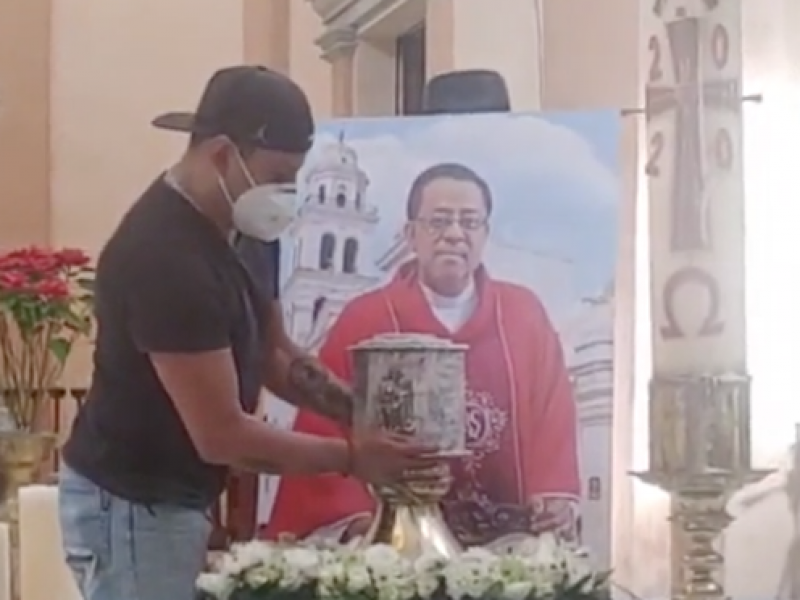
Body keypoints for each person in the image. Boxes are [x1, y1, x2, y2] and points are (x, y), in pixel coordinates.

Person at [57, 66, 439, 600]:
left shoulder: (251, 223)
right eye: (279, 174)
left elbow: (274, 353)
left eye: (296, 178)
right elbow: (223, 436)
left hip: (180, 493)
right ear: (220, 156)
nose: (286, 194)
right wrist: (353, 458)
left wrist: (359, 413)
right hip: (132, 503)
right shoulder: (164, 257)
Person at [260, 162, 581, 547]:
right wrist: (358, 519)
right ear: (411, 234)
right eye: (439, 221)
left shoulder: (523, 313)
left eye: (470, 222)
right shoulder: (367, 318)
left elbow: (553, 410)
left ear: (485, 233)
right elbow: (324, 420)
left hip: (506, 537)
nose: (455, 234)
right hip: (396, 544)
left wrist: (554, 492)